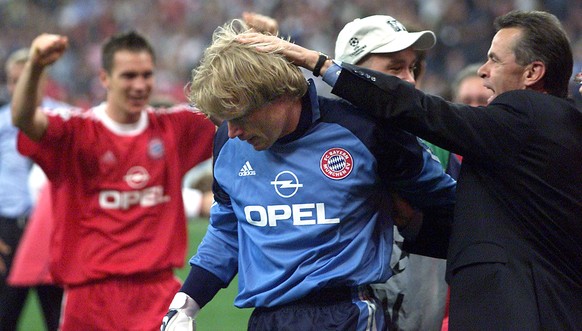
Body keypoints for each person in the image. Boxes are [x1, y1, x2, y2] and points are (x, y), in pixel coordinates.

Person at [239, 9, 582, 330]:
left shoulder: (519, 119)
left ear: (533, 73)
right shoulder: (526, 137)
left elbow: (425, 111)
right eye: (394, 68)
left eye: (494, 59)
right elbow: (491, 235)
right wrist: (411, 219)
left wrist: (318, 63)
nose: (483, 70)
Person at [160, 19, 456, 331]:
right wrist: (185, 305)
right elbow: (227, 229)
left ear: (279, 96)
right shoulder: (229, 141)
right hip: (266, 319)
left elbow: (448, 201)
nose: (231, 131)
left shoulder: (364, 133)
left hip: (346, 315)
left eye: (240, 117)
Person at [10, 31, 216, 331]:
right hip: (90, 300)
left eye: (147, 75)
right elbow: (24, 118)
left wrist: (264, 47)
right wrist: (36, 66)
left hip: (157, 294)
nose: (140, 85)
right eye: (129, 76)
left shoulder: (173, 129)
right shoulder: (76, 132)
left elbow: (234, 113)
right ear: (105, 78)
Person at [327, 15, 449, 331]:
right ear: (351, 74)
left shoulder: (438, 147)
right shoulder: (318, 150)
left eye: (412, 68)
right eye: (395, 69)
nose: (409, 80)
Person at [0, 48, 65, 331]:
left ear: (42, 80)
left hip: (53, 231)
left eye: (27, 77)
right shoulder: (1, 122)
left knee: (61, 320)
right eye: (13, 80)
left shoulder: (64, 118)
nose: (19, 86)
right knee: (5, 317)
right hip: (7, 230)